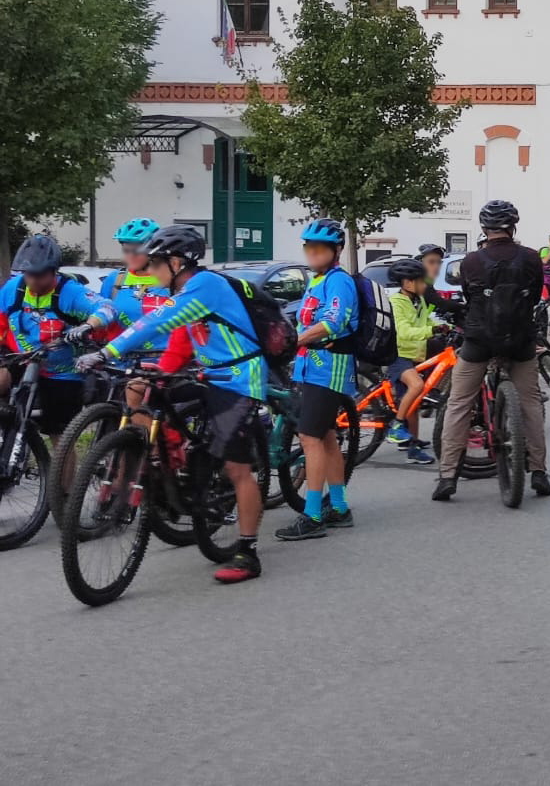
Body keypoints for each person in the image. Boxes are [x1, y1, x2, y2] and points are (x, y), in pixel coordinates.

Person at [80, 225, 269, 583]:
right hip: (208, 374)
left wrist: (109, 350)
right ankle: (168, 463)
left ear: (178, 261)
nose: (149, 271)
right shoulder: (185, 289)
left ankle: (248, 552)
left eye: (155, 263)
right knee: (142, 387)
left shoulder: (205, 286)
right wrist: (161, 372)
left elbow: (159, 321)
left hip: (240, 380)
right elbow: (181, 339)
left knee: (236, 469)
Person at [434, 200, 550, 501]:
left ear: (484, 230)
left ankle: (448, 476)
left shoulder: (471, 261)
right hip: (521, 340)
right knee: (530, 402)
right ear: (513, 227)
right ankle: (539, 471)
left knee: (459, 403)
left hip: (479, 341)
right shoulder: (530, 258)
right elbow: (537, 294)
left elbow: (469, 296)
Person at [0, 234, 117, 476]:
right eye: (27, 274)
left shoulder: (70, 292)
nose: (32, 280)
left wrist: (88, 326)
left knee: (60, 435)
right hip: (23, 357)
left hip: (62, 370)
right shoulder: (14, 288)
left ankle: (62, 500)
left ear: (53, 271)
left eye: (39, 274)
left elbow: (108, 308)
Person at [274, 219, 360, 540]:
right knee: (325, 438)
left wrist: (297, 340)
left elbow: (334, 321)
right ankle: (338, 507)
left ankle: (312, 515)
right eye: (309, 246)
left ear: (336, 251)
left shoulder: (339, 281)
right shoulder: (317, 280)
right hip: (310, 368)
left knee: (309, 439)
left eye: (320, 247)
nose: (313, 252)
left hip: (329, 369)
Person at [384, 257, 438, 465]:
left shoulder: (418, 301)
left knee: (413, 404)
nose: (425, 284)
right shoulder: (397, 303)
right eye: (421, 281)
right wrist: (430, 331)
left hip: (414, 356)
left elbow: (427, 321)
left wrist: (443, 327)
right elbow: (403, 331)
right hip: (399, 355)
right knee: (417, 385)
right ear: (407, 283)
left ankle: (413, 447)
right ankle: (397, 425)